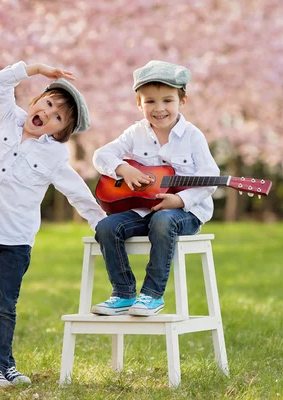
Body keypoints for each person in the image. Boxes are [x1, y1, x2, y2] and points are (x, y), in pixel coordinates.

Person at [0, 61, 106, 387]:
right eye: (49, 103)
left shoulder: (54, 156)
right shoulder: (8, 119)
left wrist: (100, 224)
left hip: (15, 240)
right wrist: (35, 68)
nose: (49, 112)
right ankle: (6, 362)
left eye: (58, 117)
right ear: (35, 101)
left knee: (3, 303)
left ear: (58, 132)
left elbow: (77, 191)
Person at [91, 60, 219, 317]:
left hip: (185, 214)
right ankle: (123, 293)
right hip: (143, 210)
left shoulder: (193, 136)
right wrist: (122, 169)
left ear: (182, 100)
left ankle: (151, 295)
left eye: (167, 100)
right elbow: (101, 155)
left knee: (163, 220)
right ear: (139, 104)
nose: (159, 108)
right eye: (150, 101)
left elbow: (210, 176)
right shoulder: (134, 133)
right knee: (106, 226)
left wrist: (180, 200)